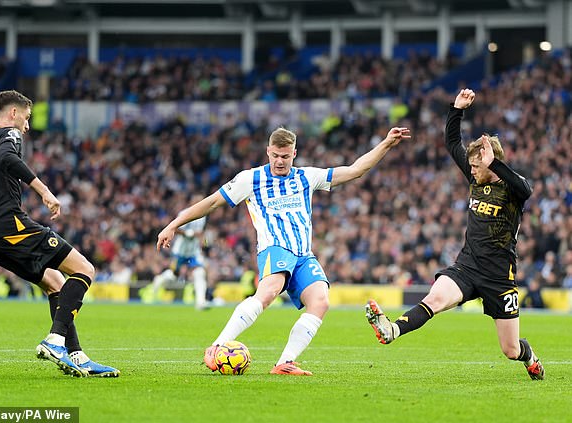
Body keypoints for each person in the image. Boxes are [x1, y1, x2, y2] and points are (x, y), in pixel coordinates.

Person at [158, 125, 410, 375]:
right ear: (268, 151)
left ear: (294, 153)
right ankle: (217, 346)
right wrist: (173, 224)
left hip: (303, 254)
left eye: (285, 156)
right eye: (276, 155)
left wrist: (386, 143)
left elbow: (355, 170)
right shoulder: (251, 178)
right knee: (268, 292)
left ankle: (284, 363)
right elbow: (212, 202)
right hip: (275, 248)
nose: (280, 161)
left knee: (320, 301)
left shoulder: (307, 177)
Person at [365, 88, 544, 380]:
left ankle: (531, 357)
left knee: (510, 349)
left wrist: (494, 165)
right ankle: (392, 330)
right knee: (434, 299)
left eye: (477, 166)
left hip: (499, 276)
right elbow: (451, 143)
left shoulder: (511, 188)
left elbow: (527, 189)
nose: (471, 171)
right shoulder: (475, 176)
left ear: (490, 164)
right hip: (467, 265)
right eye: (471, 166)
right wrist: (456, 110)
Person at [0, 90, 119, 378]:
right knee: (85, 269)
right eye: (26, 118)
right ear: (13, 114)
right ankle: (55, 340)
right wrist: (44, 191)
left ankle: (76, 355)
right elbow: (7, 159)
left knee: (55, 282)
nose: (27, 126)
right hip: (11, 226)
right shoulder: (8, 136)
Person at [154, 195, 210, 310]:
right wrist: (188, 233)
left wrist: (203, 241)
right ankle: (158, 281)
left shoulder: (203, 216)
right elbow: (174, 229)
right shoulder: (184, 213)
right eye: (197, 201)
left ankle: (201, 302)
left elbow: (200, 233)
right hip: (180, 250)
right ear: (192, 202)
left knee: (199, 272)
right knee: (174, 274)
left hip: (193, 251)